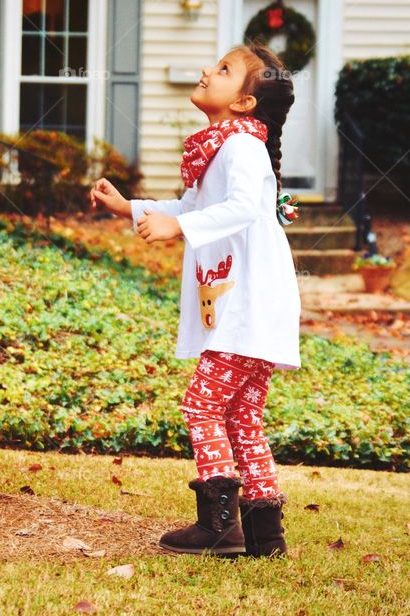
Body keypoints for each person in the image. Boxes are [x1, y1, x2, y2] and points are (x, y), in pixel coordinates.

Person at [88, 40, 300, 559]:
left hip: (247, 308)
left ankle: (220, 527)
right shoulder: (226, 144)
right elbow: (192, 204)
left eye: (224, 69)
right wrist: (131, 208)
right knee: (242, 417)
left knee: (202, 405)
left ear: (245, 102)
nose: (208, 70)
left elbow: (246, 207)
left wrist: (177, 226)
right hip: (248, 307)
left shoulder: (241, 147)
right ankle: (264, 535)